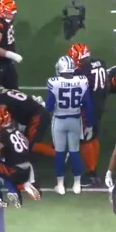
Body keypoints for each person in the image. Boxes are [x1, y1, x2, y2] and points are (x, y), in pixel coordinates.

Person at [46, 55, 93, 195]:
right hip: (75, 120)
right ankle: (77, 184)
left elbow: (49, 107)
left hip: (59, 121)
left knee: (60, 153)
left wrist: (43, 104)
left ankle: (60, 185)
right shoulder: (81, 81)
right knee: (74, 152)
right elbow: (88, 105)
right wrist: (89, 125)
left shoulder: (54, 82)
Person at [69, 43, 107, 187]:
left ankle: (92, 174)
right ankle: (93, 167)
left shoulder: (81, 72)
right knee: (93, 137)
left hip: (88, 106)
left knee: (85, 139)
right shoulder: (100, 63)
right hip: (99, 102)